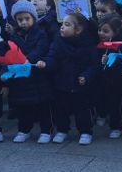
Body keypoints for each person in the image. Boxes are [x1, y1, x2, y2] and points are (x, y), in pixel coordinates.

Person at [37, 13, 100, 145]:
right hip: (61, 82)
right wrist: (45, 63)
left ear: (78, 30)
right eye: (62, 24)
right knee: (60, 109)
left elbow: (93, 65)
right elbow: (52, 57)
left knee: (82, 109)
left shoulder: (88, 45)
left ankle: (85, 131)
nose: (62, 27)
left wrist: (86, 76)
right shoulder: (57, 41)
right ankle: (62, 130)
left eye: (67, 24)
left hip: (80, 84)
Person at [3, 0, 52, 144]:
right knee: (23, 106)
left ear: (33, 18)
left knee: (43, 105)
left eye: (27, 19)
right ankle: (24, 130)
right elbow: (10, 51)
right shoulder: (14, 36)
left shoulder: (41, 33)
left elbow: (41, 48)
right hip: (22, 77)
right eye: (20, 19)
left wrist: (27, 59)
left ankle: (46, 130)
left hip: (37, 74)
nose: (23, 22)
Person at [97, 14, 122, 139]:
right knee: (101, 99)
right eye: (100, 30)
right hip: (101, 78)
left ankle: (116, 126)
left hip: (115, 80)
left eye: (106, 31)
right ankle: (102, 114)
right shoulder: (99, 44)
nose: (101, 33)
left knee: (115, 104)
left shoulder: (120, 45)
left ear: (115, 32)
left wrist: (110, 61)